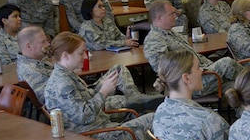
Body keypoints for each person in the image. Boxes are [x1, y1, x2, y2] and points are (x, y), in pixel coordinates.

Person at [40, 31, 157, 140]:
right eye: (81, 54)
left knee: (145, 120)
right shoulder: (63, 83)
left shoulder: (66, 75)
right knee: (154, 118)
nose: (85, 57)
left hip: (99, 128)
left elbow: (84, 102)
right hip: (95, 138)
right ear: (65, 56)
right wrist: (103, 92)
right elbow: (83, 116)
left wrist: (102, 86)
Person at [16, 26, 156, 112]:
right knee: (131, 102)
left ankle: (138, 100)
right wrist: (102, 92)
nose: (48, 44)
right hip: (77, 103)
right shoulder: (30, 70)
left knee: (118, 69)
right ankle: (139, 103)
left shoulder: (41, 60)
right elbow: (50, 98)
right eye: (43, 42)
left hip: (83, 93)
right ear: (28, 46)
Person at [151, 49, 236, 140]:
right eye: (198, 68)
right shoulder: (209, 120)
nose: (202, 70)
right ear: (186, 78)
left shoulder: (160, 112)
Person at [142, 0, 239, 96]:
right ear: (159, 18)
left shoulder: (170, 32)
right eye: (171, 14)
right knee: (227, 63)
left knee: (237, 89)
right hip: (187, 84)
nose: (175, 17)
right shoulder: (154, 40)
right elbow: (164, 71)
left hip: (202, 73)